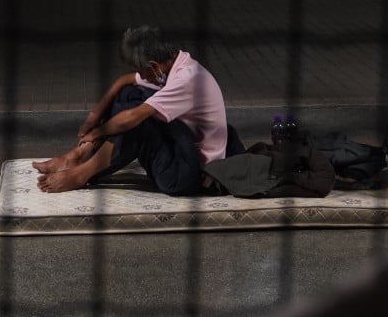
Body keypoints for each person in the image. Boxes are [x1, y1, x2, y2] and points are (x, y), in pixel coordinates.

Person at [32, 25, 238, 195]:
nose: (139, 75)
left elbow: (132, 118)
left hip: (188, 174)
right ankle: (76, 156)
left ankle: (80, 174)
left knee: (137, 122)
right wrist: (94, 116)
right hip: (180, 147)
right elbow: (125, 80)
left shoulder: (188, 78)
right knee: (128, 94)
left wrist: (97, 132)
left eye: (141, 71)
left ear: (154, 65)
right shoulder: (172, 65)